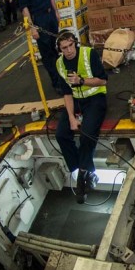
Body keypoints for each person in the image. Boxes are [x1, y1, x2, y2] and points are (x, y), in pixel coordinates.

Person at [55, 31, 108, 204]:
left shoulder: (88, 54)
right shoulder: (59, 64)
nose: (69, 50)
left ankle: (83, 176)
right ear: (60, 49)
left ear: (75, 43)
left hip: (95, 98)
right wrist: (71, 117)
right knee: (61, 135)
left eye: (71, 45)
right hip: (76, 101)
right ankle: (80, 169)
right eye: (65, 48)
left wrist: (82, 81)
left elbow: (103, 81)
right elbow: (66, 93)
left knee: (87, 133)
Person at [19, 0, 62, 93]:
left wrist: (56, 12)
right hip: (40, 20)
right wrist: (32, 27)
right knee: (47, 54)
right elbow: (24, 8)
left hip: (50, 17)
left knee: (56, 48)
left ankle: (62, 77)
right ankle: (56, 83)